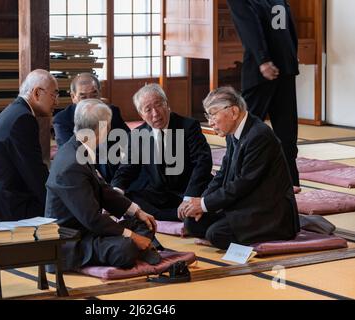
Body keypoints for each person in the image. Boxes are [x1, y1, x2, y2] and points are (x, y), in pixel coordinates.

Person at [45, 98, 160, 271]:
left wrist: (136, 210)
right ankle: (137, 248)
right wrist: (132, 236)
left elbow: (103, 190)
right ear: (102, 128)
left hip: (89, 230)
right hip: (72, 241)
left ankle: (138, 246)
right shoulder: (71, 165)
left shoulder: (77, 148)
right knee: (125, 248)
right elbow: (92, 219)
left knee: (144, 222)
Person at [179, 86, 300, 250]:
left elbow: (243, 184)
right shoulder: (232, 132)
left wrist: (205, 204)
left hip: (268, 211)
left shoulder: (259, 135)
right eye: (208, 115)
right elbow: (222, 174)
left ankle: (224, 237)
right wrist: (202, 202)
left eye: (213, 114)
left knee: (216, 234)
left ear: (234, 112)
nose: (210, 122)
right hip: (244, 204)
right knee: (193, 223)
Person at [0, 69, 58, 227]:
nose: (56, 102)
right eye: (53, 95)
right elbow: (34, 172)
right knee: (60, 215)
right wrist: (58, 202)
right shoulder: (23, 119)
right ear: (36, 93)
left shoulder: (15, 111)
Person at [226, 0, 301, 190]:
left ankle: (235, 181)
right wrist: (291, 55)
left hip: (262, 70)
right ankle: (289, 181)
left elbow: (250, 28)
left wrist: (263, 60)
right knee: (285, 128)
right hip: (285, 66)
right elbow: (290, 30)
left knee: (243, 125)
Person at [111, 84, 214, 222]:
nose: (155, 113)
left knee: (210, 197)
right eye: (148, 109)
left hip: (189, 189)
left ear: (167, 104)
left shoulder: (188, 126)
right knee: (127, 198)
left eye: (158, 105)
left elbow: (202, 163)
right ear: (141, 114)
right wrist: (115, 194)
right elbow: (128, 167)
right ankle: (181, 216)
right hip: (159, 194)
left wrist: (189, 198)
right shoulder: (137, 134)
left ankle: (184, 215)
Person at [53, 73, 130, 182]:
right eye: (83, 97)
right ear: (73, 97)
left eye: (94, 95)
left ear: (100, 93)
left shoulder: (111, 112)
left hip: (114, 170)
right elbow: (73, 154)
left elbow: (128, 141)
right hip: (83, 174)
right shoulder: (63, 119)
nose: (90, 101)